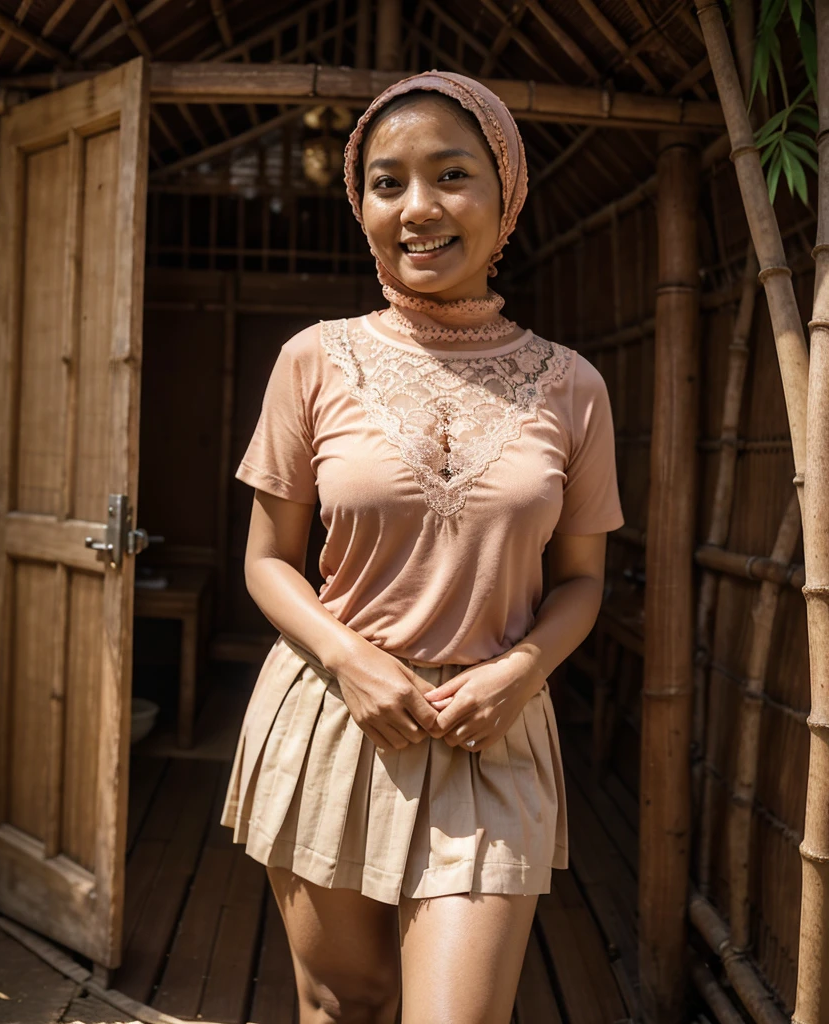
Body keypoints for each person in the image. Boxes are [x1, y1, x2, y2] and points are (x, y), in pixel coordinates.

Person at [220, 70, 624, 1024]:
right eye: (388, 182)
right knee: (342, 1004)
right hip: (335, 715)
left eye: (451, 175)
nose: (419, 208)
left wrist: (519, 674)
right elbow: (267, 560)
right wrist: (352, 661)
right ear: (360, 205)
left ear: (506, 194)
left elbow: (582, 582)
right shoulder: (314, 359)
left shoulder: (572, 387)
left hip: (494, 729)